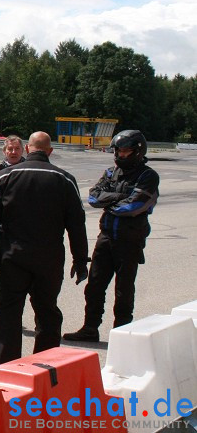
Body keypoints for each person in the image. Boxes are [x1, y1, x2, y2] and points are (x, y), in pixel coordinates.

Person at [0, 131, 89, 364]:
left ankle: (6, 365)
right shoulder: (65, 179)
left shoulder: (6, 175)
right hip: (48, 260)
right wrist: (80, 259)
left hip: (13, 257)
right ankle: (44, 367)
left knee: (8, 311)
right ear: (50, 151)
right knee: (47, 312)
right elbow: (77, 224)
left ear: (27, 149)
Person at [63, 130, 160, 343]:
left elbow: (135, 205)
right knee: (94, 285)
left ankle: (122, 332)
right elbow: (93, 198)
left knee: (124, 290)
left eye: (126, 151)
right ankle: (90, 328)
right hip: (106, 237)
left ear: (137, 151)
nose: (121, 155)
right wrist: (119, 197)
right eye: (119, 151)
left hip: (130, 240)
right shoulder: (110, 172)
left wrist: (112, 201)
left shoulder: (148, 175)